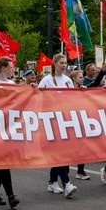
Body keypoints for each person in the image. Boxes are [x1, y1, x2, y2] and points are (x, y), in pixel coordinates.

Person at [38, 54, 77, 198]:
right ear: (54, 64)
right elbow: (37, 97)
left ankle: (52, 182)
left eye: (65, 63)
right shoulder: (47, 81)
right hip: (51, 121)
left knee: (62, 154)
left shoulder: (68, 81)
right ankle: (67, 183)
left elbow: (73, 99)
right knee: (59, 154)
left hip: (65, 120)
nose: (64, 65)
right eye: (61, 63)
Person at [0, 57, 21, 209]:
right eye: (11, 67)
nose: (13, 69)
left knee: (2, 161)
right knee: (3, 161)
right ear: (2, 68)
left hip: (8, 126)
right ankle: (11, 195)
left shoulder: (12, 84)